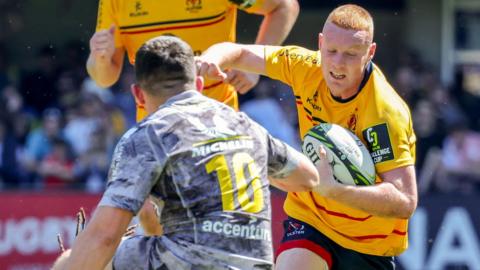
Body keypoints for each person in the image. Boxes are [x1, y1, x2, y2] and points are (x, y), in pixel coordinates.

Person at [58, 35, 321, 270]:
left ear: (138, 95)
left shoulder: (148, 136)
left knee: (71, 260)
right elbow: (308, 177)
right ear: (198, 84)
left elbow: (104, 237)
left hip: (190, 262)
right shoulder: (244, 125)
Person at [197, 4, 418, 269]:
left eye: (351, 54)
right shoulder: (305, 67)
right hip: (310, 218)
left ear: (370, 52)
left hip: (369, 242)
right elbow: (241, 52)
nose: (337, 63)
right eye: (332, 51)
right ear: (320, 43)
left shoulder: (384, 112)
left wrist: (337, 191)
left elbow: (405, 200)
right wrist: (211, 57)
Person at [88, 0, 299, 121]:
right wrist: (100, 58)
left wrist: (253, 66)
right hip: (154, 130)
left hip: (217, 125)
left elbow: (284, 7)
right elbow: (104, 78)